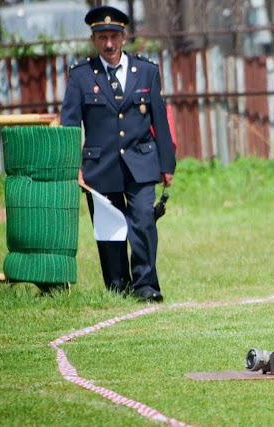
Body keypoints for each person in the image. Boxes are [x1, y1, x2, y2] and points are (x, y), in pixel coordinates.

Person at [60, 6, 176, 302]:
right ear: (93, 39)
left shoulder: (147, 71)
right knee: (109, 227)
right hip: (99, 166)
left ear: (124, 38)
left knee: (143, 220)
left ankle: (146, 285)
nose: (109, 43)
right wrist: (73, 165)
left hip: (141, 161)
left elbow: (160, 120)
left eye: (114, 36)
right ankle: (118, 285)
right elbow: (69, 124)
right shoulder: (81, 76)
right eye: (102, 37)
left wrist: (167, 164)